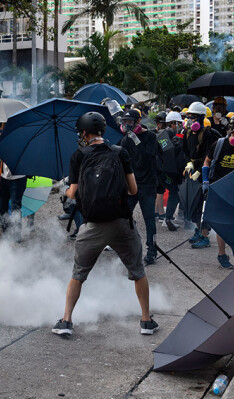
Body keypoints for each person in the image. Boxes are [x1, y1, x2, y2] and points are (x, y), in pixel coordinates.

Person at [52, 111, 157, 337]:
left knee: (78, 274)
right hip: (122, 223)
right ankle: (146, 321)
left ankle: (66, 321)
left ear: (84, 133)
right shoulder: (120, 152)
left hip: (92, 226)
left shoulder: (78, 156)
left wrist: (63, 189)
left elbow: (73, 193)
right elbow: (133, 190)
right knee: (138, 272)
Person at [202, 115, 234, 269]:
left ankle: (233, 241)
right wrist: (205, 180)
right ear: (232, 131)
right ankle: (222, 255)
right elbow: (207, 161)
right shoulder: (219, 144)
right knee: (222, 223)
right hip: (219, 189)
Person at [119, 110, 163, 265]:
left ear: (138, 122)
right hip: (132, 185)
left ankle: (152, 250)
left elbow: (148, 156)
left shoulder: (150, 137)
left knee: (149, 219)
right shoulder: (125, 140)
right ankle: (128, 246)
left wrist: (136, 139)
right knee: (123, 216)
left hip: (148, 185)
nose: (126, 125)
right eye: (124, 122)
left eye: (129, 122)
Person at [182, 101, 221, 248]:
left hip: (204, 173)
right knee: (193, 204)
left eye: (194, 117)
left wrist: (200, 171)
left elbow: (208, 155)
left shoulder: (208, 134)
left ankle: (205, 236)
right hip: (192, 172)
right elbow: (185, 151)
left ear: (201, 118)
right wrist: (189, 164)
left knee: (203, 204)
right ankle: (198, 230)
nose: (191, 119)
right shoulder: (187, 133)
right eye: (189, 116)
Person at [0, 122, 27, 242]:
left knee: (16, 206)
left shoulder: (21, 135)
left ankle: (17, 235)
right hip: (4, 177)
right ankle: (6, 233)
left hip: (19, 176)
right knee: (2, 206)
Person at [159, 111, 185, 231]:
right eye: (178, 123)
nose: (179, 125)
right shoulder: (171, 135)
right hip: (170, 171)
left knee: (174, 193)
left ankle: (168, 218)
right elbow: (171, 152)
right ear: (173, 123)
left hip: (164, 170)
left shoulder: (162, 134)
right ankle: (168, 218)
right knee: (174, 193)